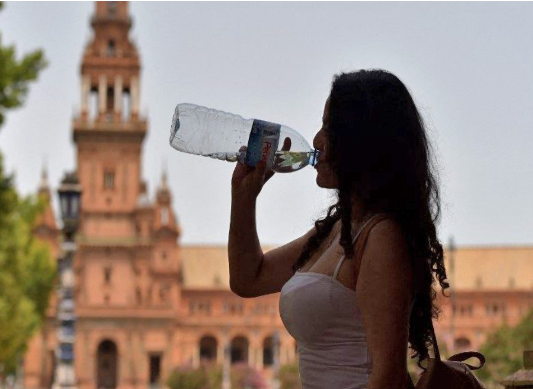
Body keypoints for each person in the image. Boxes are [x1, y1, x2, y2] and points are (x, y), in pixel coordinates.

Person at [228, 69, 450, 389]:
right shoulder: (336, 231)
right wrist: (243, 197)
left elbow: (386, 377)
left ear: (363, 141)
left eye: (329, 128)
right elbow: (248, 278)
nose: (316, 140)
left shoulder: (381, 236)